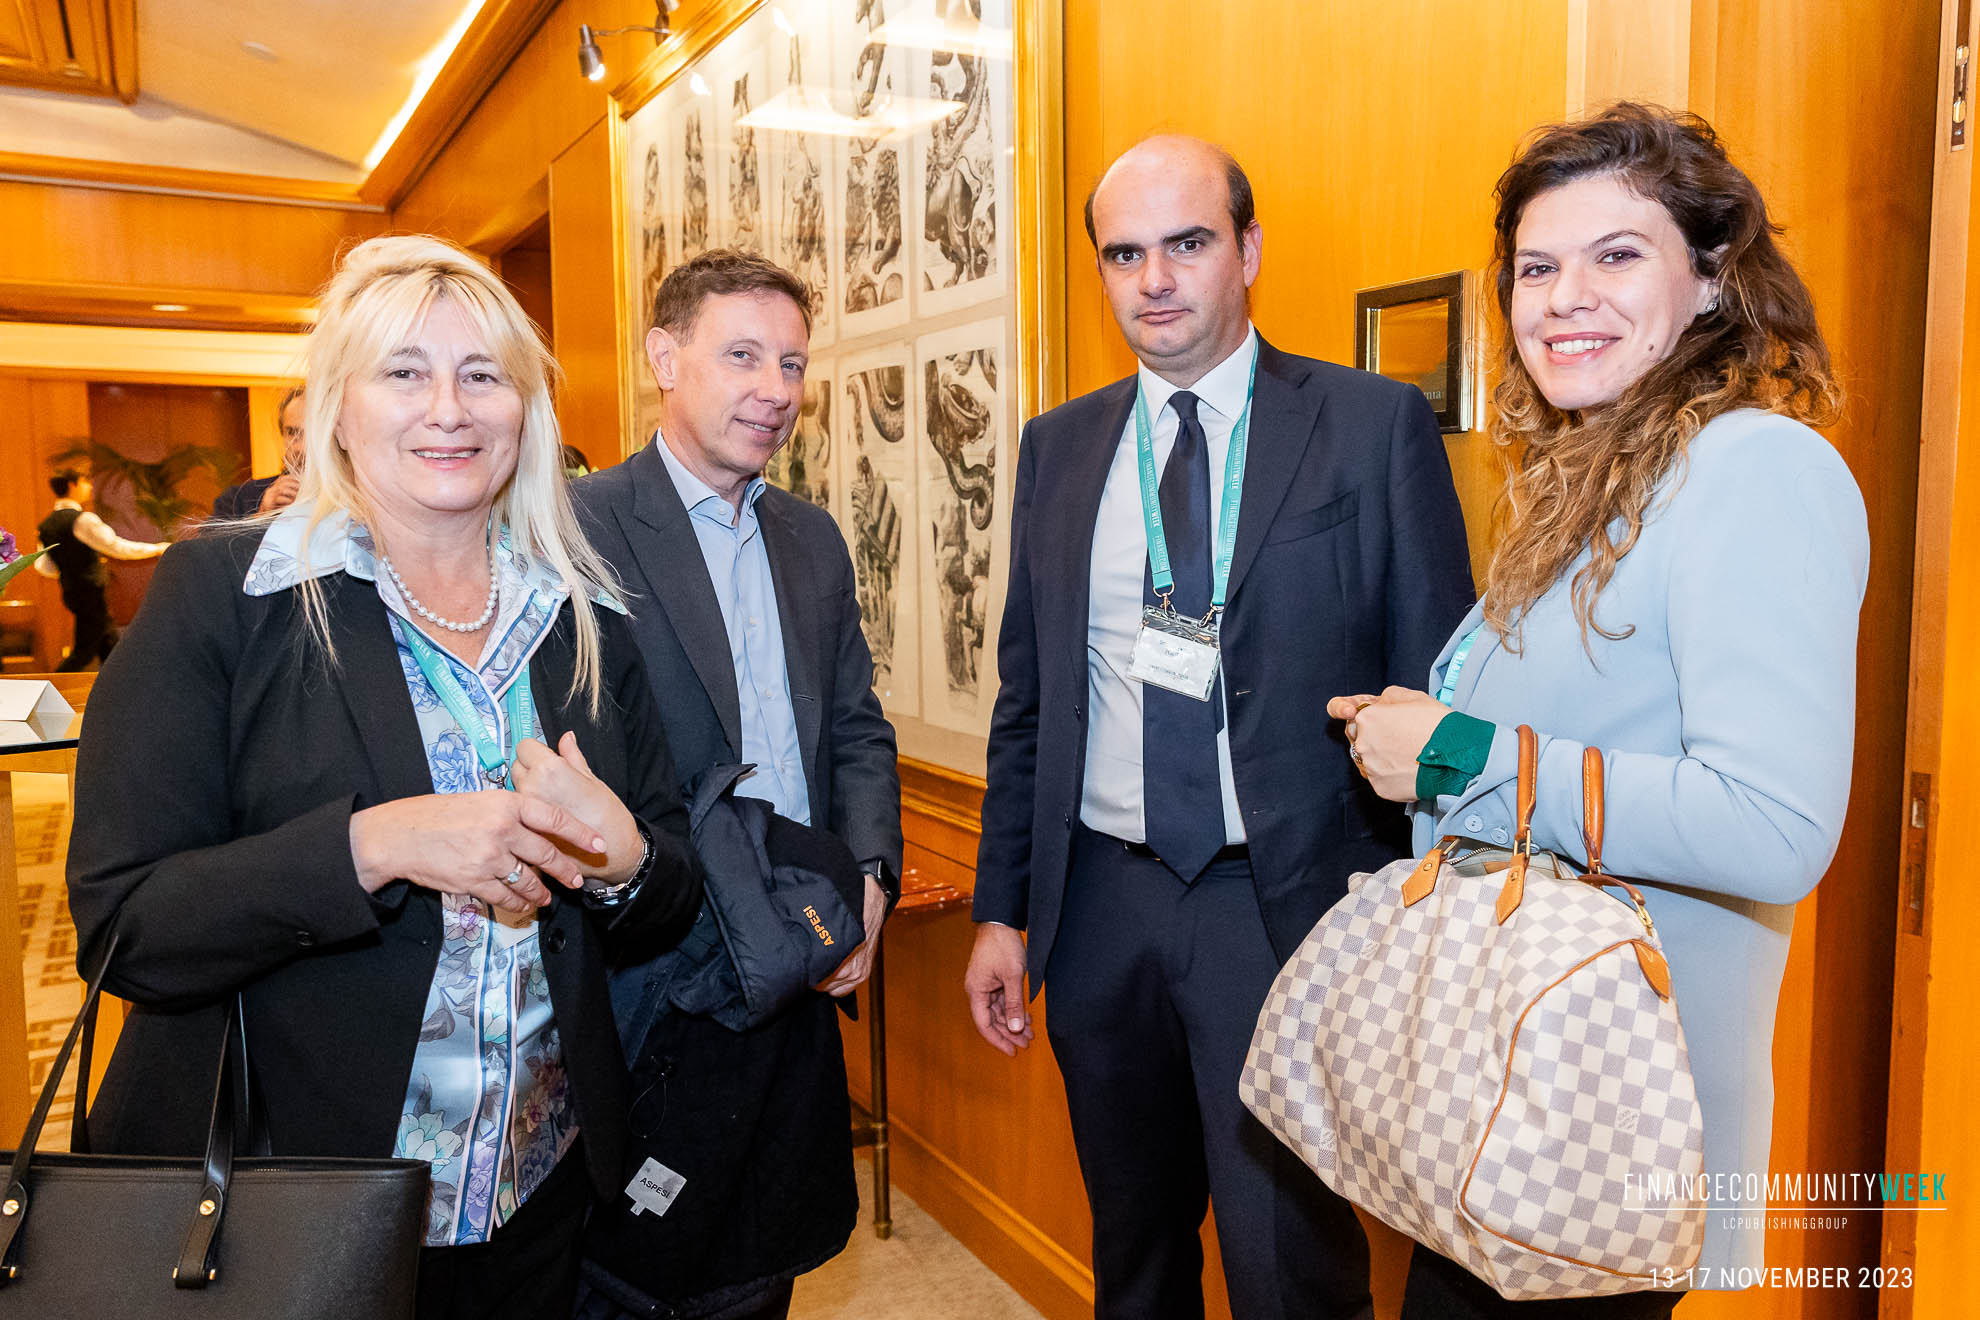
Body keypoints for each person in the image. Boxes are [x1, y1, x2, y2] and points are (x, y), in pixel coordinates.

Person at [65, 234, 706, 1320]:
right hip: (284, 1204)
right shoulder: (225, 595)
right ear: (338, 408)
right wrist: (375, 845)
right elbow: (126, 927)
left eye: (482, 375)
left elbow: (666, 895)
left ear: (525, 412)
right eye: (404, 372)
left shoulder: (578, 615)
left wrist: (624, 857)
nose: (448, 409)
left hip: (534, 1192)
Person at [1330, 104, 1868, 1318]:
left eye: (1616, 255)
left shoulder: (1756, 469)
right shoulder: (1596, 479)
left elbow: (1774, 825)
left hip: (1610, 1125)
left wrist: (1457, 753)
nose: (1565, 297)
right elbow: (1593, 726)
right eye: (1536, 268)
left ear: (1712, 277)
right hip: (1514, 1095)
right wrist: (1434, 721)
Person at [965, 135, 1474, 1320]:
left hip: (1286, 904)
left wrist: (1432, 935)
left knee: (1288, 1262)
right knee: (1134, 1248)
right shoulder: (1059, 448)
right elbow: (1029, 699)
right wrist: (1001, 908)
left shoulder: (1370, 425)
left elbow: (1441, 688)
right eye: (1124, 254)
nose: (1155, 280)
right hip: (1101, 904)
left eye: (1187, 243)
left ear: (1247, 250)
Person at [571, 248, 902, 1320]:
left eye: (793, 364)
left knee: (765, 1247)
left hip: (793, 940)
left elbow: (856, 726)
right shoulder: (579, 526)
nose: (775, 389)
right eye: (743, 356)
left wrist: (868, 881)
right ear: (665, 359)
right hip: (653, 962)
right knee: (634, 1264)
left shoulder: (811, 538)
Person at [33, 467, 168, 671]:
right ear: (72, 485)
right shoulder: (83, 520)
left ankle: (120, 685)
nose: (89, 486)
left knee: (110, 646)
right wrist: (156, 549)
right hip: (90, 592)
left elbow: (45, 567)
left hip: (71, 592)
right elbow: (116, 547)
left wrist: (70, 567)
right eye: (85, 481)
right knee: (84, 651)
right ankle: (51, 687)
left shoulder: (46, 525)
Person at [212, 386, 307, 518]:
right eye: (292, 432)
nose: (300, 448)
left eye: (313, 434)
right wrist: (263, 515)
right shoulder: (238, 500)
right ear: (281, 434)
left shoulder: (339, 502)